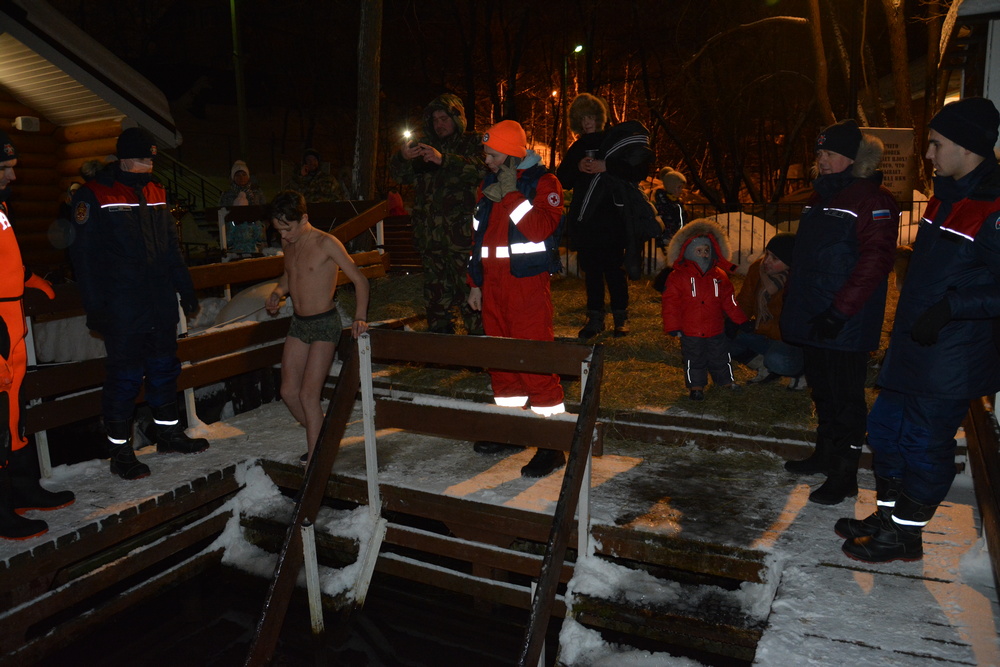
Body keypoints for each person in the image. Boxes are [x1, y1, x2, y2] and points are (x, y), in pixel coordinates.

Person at [840, 97, 1000, 563]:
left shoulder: (993, 207)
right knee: (886, 431)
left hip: (952, 354)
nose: (928, 154)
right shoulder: (945, 195)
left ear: (968, 147)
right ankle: (889, 519)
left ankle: (906, 536)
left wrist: (952, 306)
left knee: (923, 444)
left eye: (936, 144)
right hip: (915, 345)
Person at [68, 127, 210, 481]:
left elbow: (170, 245)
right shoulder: (94, 194)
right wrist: (95, 308)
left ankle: (168, 435)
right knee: (125, 376)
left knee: (164, 368)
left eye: (152, 159)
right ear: (126, 158)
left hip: (159, 300)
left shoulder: (155, 190)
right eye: (145, 159)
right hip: (122, 304)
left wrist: (185, 287)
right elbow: (84, 259)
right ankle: (120, 452)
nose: (150, 165)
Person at [780, 119, 900, 506]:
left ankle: (845, 474)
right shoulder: (822, 196)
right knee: (823, 390)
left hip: (845, 320)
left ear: (851, 158)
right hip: (817, 314)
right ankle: (826, 454)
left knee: (846, 397)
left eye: (829, 153)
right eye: (820, 152)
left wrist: (840, 311)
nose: (821, 160)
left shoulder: (873, 199)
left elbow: (876, 261)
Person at [466, 120, 566, 477]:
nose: (487, 162)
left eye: (493, 155)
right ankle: (512, 431)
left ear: (511, 155)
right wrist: (475, 283)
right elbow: (478, 239)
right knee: (502, 362)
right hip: (492, 287)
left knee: (534, 361)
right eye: (487, 155)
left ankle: (551, 443)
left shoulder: (544, 182)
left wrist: (511, 195)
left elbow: (538, 229)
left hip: (526, 287)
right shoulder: (488, 185)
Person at [0, 130, 75, 540]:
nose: (12, 176)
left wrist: (27, 277)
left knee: (14, 411)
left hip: (11, 317)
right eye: (4, 168)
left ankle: (22, 487)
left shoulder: (0, 205)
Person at [265, 190, 370, 464]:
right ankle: (323, 435)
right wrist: (277, 292)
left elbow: (360, 280)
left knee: (308, 395)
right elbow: (289, 274)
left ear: (304, 219)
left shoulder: (326, 243)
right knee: (288, 392)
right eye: (279, 230)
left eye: (287, 229)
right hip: (299, 324)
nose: (284, 236)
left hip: (324, 323)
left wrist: (359, 316)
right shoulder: (289, 242)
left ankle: (315, 462)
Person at [557, 93, 654, 339]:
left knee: (614, 270)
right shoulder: (578, 147)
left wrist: (606, 166)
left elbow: (637, 171)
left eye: (590, 117)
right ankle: (595, 318)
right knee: (591, 271)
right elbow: (562, 179)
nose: (587, 122)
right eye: (582, 119)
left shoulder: (614, 141)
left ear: (600, 117)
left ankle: (621, 317)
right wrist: (578, 167)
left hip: (613, 220)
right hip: (586, 220)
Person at [390, 93, 485, 335]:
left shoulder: (473, 142)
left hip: (463, 240)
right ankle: (441, 346)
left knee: (471, 297)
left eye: (444, 118)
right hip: (431, 240)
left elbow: (485, 169)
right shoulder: (424, 147)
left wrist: (444, 160)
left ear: (457, 118)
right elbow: (400, 177)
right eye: (434, 120)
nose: (439, 124)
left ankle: (481, 347)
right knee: (436, 301)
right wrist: (403, 158)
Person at [661, 219, 748, 400]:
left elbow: (729, 300)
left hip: (715, 328)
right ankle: (696, 386)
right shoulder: (678, 277)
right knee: (694, 359)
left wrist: (740, 320)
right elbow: (670, 303)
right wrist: (673, 326)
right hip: (690, 330)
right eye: (698, 251)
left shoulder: (719, 276)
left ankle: (725, 381)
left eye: (707, 250)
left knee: (721, 356)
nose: (703, 255)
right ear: (688, 252)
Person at [730, 232, 805, 388]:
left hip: (786, 340)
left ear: (790, 262)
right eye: (767, 254)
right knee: (722, 339)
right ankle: (764, 366)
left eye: (775, 258)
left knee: (778, 360)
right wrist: (734, 322)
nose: (767, 261)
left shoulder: (799, 280)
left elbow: (796, 324)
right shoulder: (757, 269)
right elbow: (744, 303)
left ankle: (801, 372)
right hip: (762, 334)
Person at [219, 160, 267, 256]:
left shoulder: (256, 193)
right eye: (238, 175)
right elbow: (221, 214)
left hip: (255, 236)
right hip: (235, 237)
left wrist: (262, 227)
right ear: (233, 177)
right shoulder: (227, 195)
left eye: (244, 174)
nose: (241, 178)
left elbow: (264, 211)